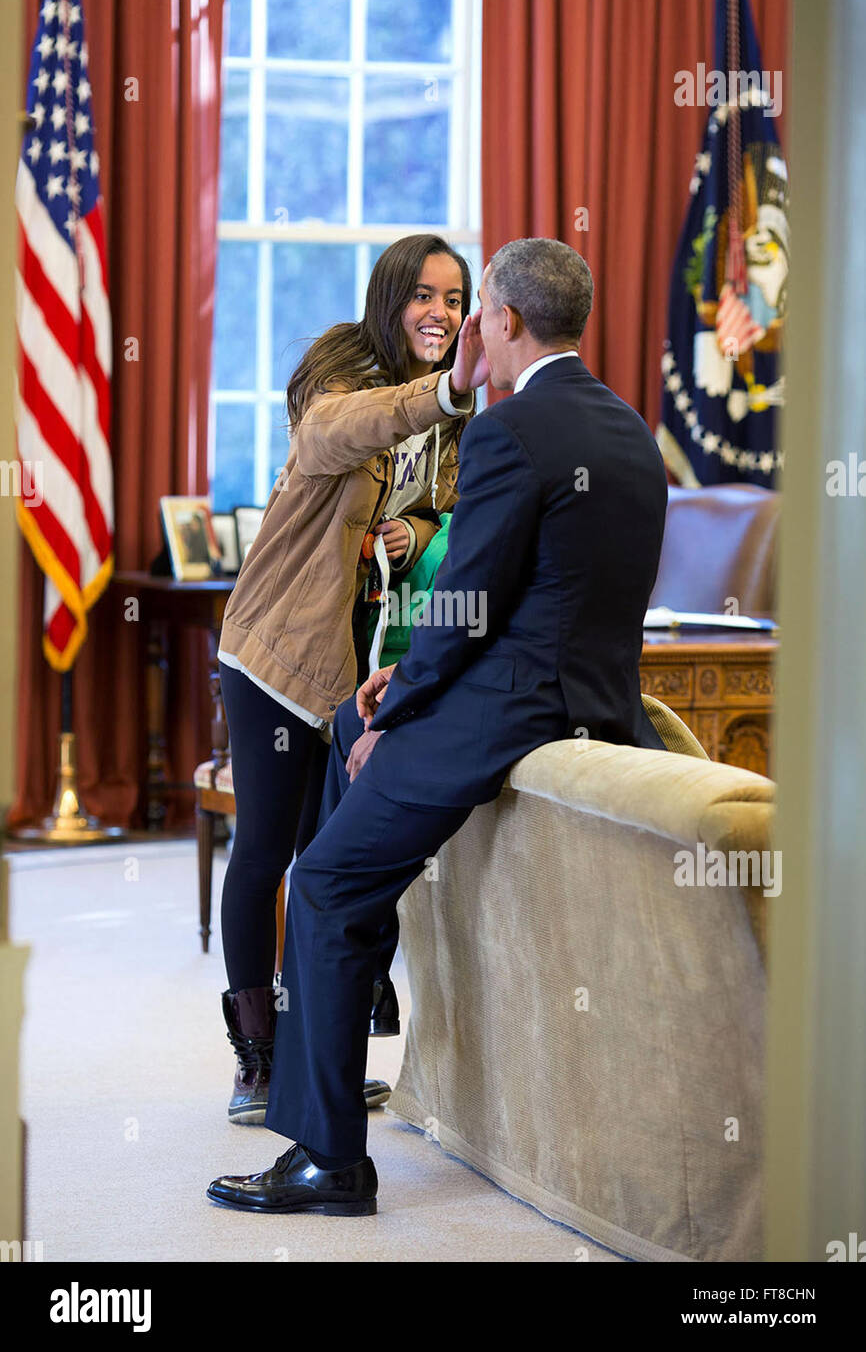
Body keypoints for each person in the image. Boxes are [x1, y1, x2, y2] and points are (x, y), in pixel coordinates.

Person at [207, 236, 669, 1215]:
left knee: (325, 878)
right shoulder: (629, 430)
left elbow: (468, 597)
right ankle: (330, 1045)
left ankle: (326, 1158)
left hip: (501, 712)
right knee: (329, 807)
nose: (459, 323)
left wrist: (401, 703)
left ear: (498, 320)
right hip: (599, 707)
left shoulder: (507, 430)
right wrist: (393, 686)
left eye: (470, 307)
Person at [215, 234, 477, 1124]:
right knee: (266, 853)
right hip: (275, 654)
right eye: (425, 295)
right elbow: (338, 433)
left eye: (455, 298)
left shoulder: (447, 417)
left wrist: (416, 526)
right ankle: (256, 1062)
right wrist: (440, 391)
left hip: (351, 667)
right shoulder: (346, 377)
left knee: (323, 863)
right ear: (392, 296)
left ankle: (310, 1054)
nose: (440, 312)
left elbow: (439, 496)